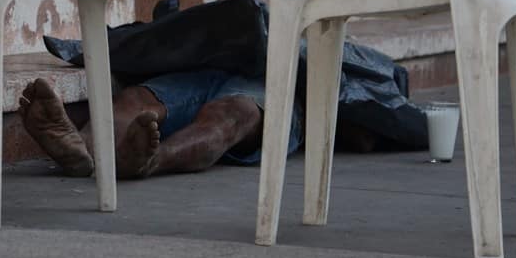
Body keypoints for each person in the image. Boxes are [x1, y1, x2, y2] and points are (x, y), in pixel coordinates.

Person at [18, 70, 303, 179]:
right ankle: (87, 151)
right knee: (135, 100)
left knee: (233, 114)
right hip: (203, 65)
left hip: (272, 75)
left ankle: (150, 161)